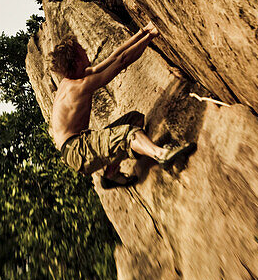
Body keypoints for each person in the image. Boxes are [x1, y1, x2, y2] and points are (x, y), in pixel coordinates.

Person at [49, 23, 194, 189]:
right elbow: (121, 62)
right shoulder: (78, 87)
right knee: (127, 133)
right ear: (76, 60)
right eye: (80, 48)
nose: (84, 49)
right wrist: (152, 36)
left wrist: (143, 32)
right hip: (77, 149)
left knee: (135, 119)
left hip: (75, 148)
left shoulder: (73, 79)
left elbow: (113, 57)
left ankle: (111, 173)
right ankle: (161, 154)